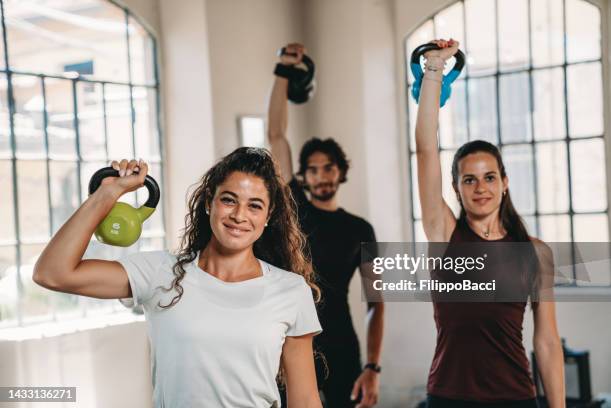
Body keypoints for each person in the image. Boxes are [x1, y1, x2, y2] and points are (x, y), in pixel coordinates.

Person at [33, 148, 323, 408]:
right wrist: (106, 195)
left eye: (254, 205)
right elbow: (52, 273)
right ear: (210, 201)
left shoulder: (290, 290)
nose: (239, 215)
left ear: (269, 214)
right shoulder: (160, 272)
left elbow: (306, 400)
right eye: (229, 200)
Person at [415, 38, 565, 407]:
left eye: (489, 177)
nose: (480, 187)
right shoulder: (444, 234)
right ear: (456, 188)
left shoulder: (534, 253)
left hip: (513, 396)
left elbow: (546, 342)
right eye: (469, 179)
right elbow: (425, 148)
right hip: (449, 397)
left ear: (504, 182)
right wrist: (433, 69)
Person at [268, 43, 384, 408]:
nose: (321, 176)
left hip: (341, 342)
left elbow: (376, 302)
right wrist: (283, 71)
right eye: (313, 169)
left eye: (328, 168)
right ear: (304, 175)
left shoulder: (361, 228)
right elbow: (276, 135)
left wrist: (373, 367)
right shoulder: (294, 206)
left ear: (341, 172)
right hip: (291, 335)